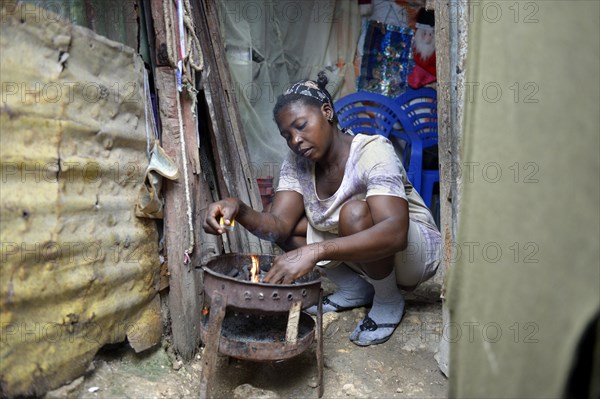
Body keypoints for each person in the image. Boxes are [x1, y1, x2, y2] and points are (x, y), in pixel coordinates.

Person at [203, 72, 441, 346]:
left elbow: (396, 232)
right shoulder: (297, 162)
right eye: (287, 135)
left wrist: (313, 251)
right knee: (288, 225)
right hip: (365, 249)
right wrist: (238, 208)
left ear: (327, 112)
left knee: (353, 213)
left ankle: (388, 299)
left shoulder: (372, 151)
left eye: (301, 126)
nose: (295, 140)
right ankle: (355, 289)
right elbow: (277, 226)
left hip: (413, 253)